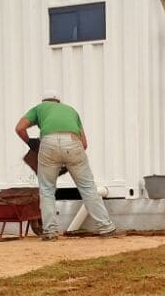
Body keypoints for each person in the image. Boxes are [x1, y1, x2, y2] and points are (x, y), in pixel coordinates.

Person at [15, 90, 116, 240]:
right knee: (88, 188)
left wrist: (31, 143)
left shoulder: (38, 109)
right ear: (58, 102)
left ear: (44, 101)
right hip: (73, 142)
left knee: (47, 190)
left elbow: (19, 128)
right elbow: (84, 144)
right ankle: (106, 228)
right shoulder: (71, 110)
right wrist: (68, 160)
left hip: (48, 144)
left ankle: (50, 232)